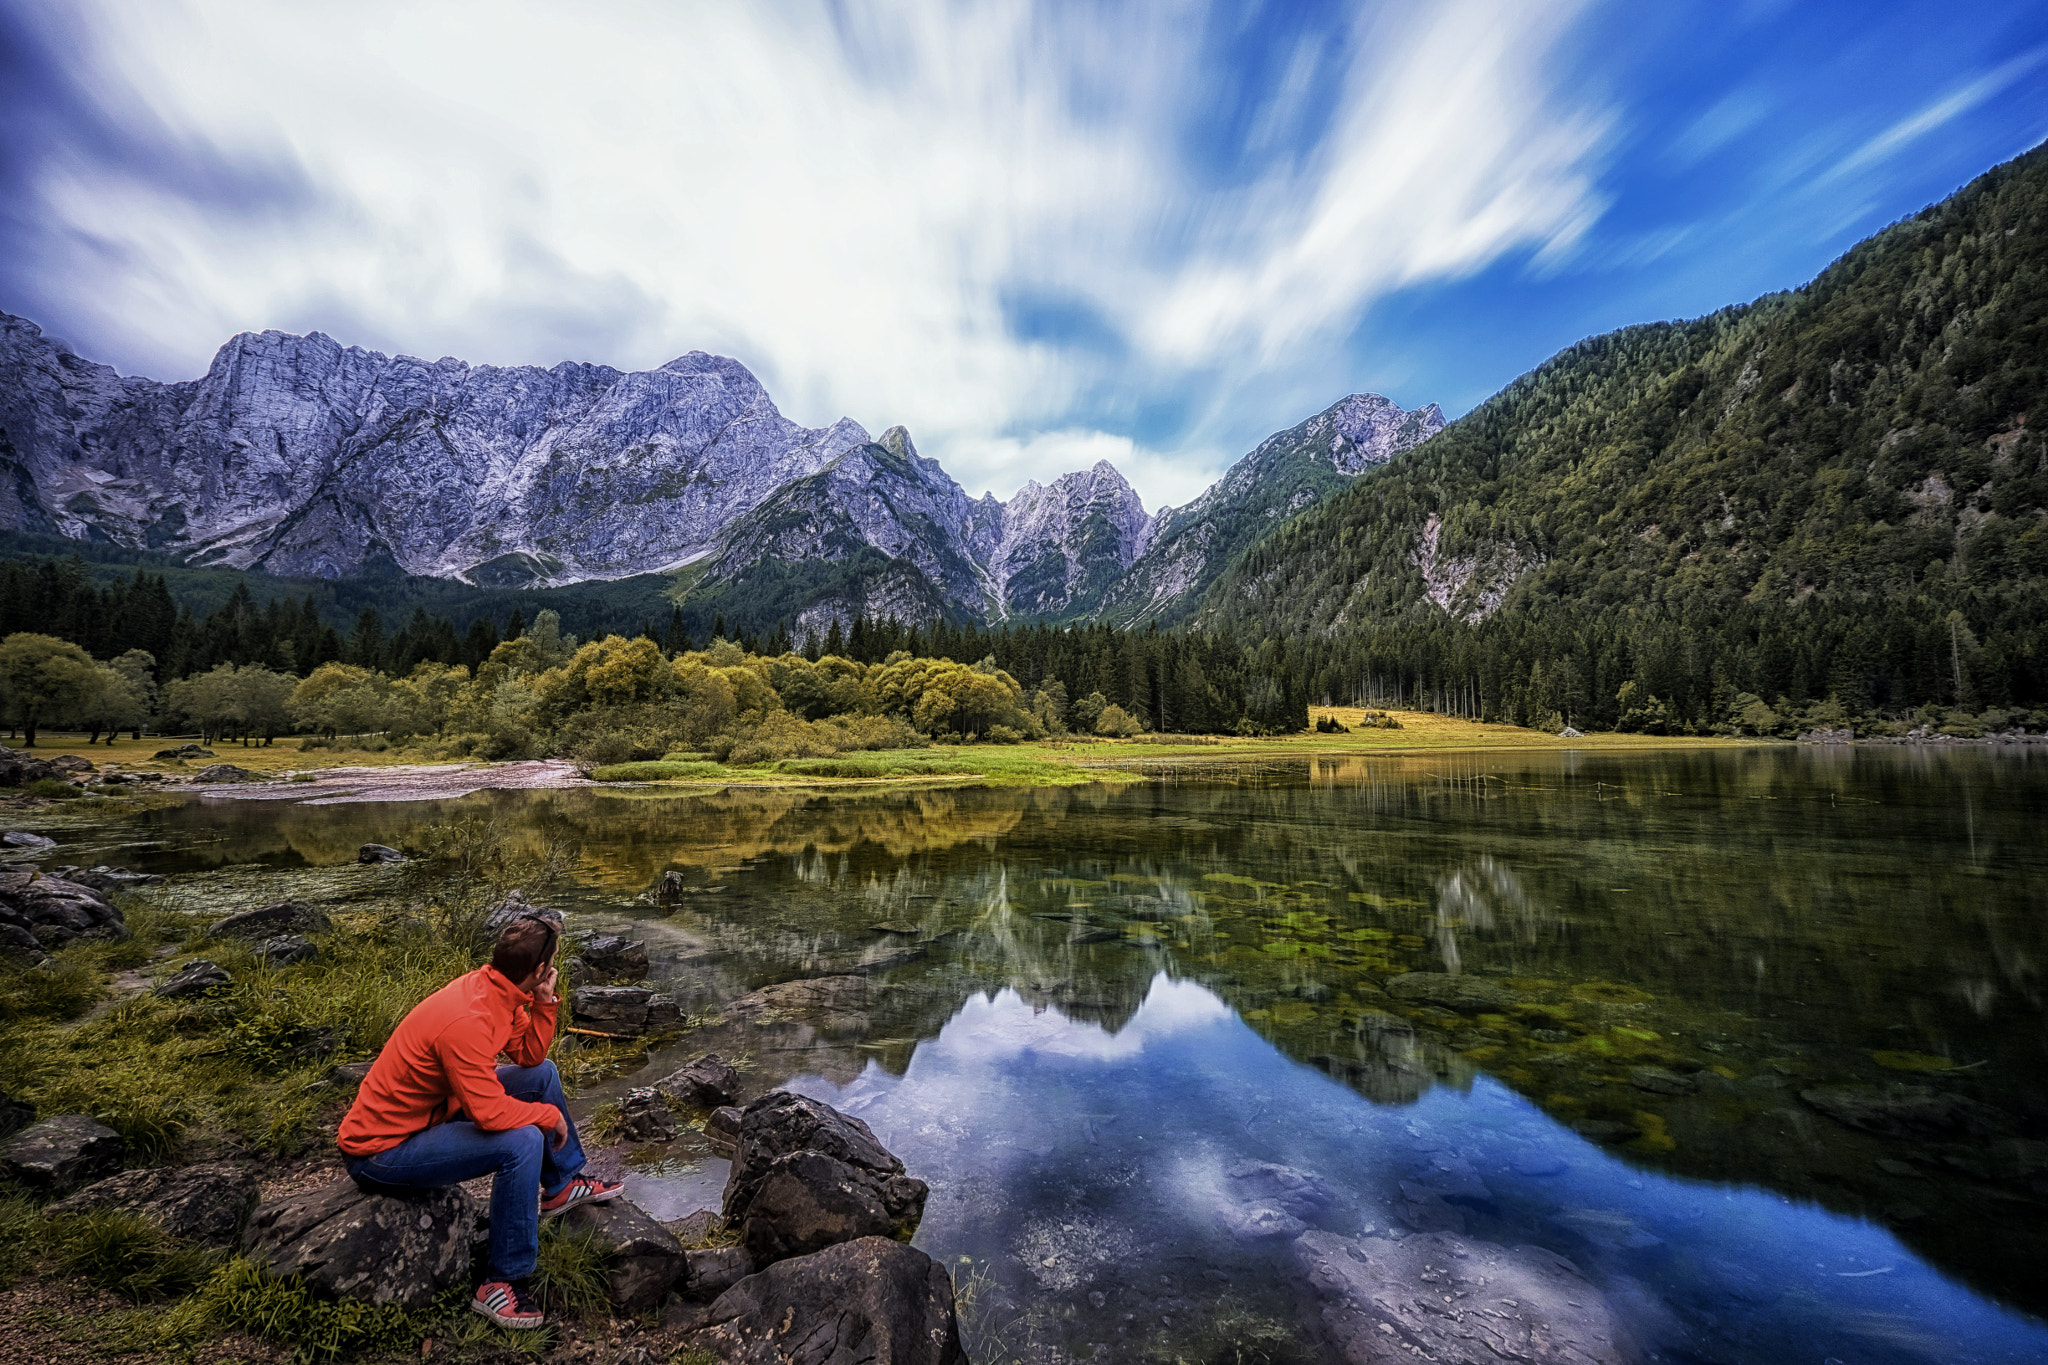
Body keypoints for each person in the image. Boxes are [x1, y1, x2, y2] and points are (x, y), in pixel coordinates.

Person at [337, 913, 621, 1329]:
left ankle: (560, 1186)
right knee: (522, 1141)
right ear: (539, 968)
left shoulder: (497, 992)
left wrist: (544, 1002)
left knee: (543, 1077)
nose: (556, 966)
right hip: (381, 1152)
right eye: (553, 961)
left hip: (430, 1118)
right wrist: (548, 1117)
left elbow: (530, 1058)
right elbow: (489, 1115)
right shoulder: (469, 1020)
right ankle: (501, 1282)